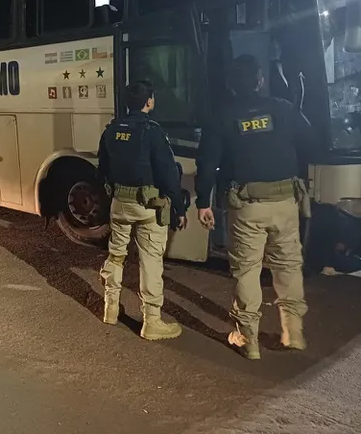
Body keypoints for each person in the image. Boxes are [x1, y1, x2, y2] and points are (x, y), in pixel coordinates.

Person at [195, 54, 315, 360]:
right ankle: (293, 333)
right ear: (260, 80)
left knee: (247, 270)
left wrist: (203, 202)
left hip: (247, 206)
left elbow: (207, 164)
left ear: (230, 84)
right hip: (285, 202)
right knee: (288, 265)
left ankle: (248, 340)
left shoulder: (221, 116)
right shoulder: (283, 108)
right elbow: (310, 140)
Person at [98, 80, 188, 340]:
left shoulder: (112, 130)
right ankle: (152, 322)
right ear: (149, 101)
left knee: (116, 255)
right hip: (148, 207)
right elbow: (168, 173)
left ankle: (110, 308)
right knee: (150, 261)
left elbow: (103, 168)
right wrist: (178, 208)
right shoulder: (153, 131)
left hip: (119, 203)